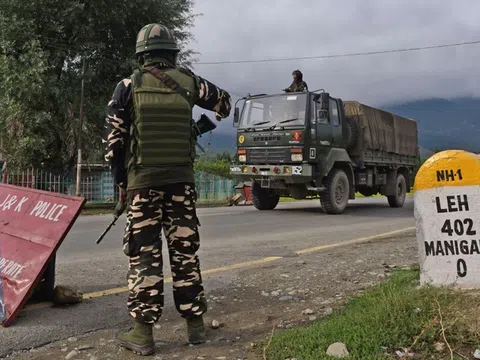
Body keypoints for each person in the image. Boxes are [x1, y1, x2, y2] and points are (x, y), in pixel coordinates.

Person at [103, 23, 232, 356]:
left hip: (142, 186)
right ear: (172, 54)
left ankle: (143, 335)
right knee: (185, 254)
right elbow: (225, 104)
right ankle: (196, 329)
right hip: (182, 184)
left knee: (145, 256)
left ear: (142, 55)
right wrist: (194, 124)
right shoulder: (190, 83)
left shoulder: (127, 87)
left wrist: (121, 184)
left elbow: (114, 145)